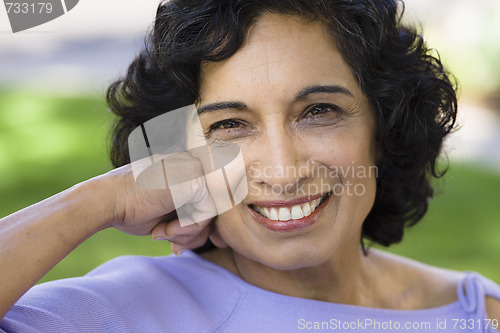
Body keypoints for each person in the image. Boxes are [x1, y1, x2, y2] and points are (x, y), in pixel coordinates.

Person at [1, 0, 500, 332]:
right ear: (178, 153)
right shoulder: (127, 314)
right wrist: (102, 200)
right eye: (231, 125)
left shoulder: (477, 313)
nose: (283, 172)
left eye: (319, 112)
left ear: (384, 124)